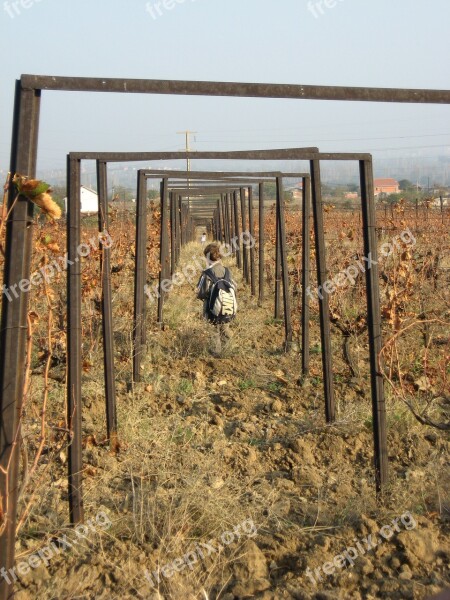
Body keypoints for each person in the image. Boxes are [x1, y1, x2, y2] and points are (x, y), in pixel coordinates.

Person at [196, 243, 236, 357]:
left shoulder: (207, 273)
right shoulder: (227, 271)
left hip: (211, 309)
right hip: (226, 306)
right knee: (225, 328)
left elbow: (201, 293)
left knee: (214, 331)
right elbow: (233, 287)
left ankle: (216, 354)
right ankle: (228, 351)